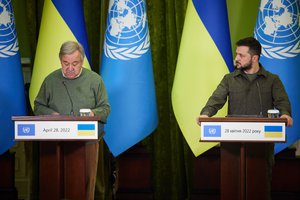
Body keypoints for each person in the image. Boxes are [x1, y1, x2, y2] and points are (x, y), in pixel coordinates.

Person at [197, 37, 293, 199]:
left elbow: (282, 102)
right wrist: (206, 114)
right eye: (237, 54)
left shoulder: (272, 80)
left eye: (241, 55)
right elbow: (216, 100)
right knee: (232, 184)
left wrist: (285, 114)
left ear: (254, 58)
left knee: (260, 186)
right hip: (232, 143)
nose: (236, 58)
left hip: (262, 144)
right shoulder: (229, 79)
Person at [34, 41, 110, 200]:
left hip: (87, 142)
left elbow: (105, 109)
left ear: (82, 61)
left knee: (85, 185)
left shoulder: (94, 80)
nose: (69, 68)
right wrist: (52, 115)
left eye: (75, 63)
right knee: (54, 184)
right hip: (54, 141)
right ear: (60, 59)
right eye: (65, 63)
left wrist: (92, 114)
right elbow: (38, 106)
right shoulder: (50, 80)